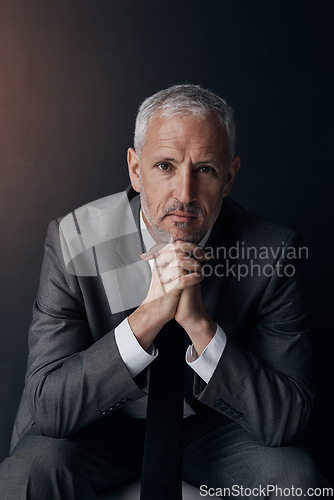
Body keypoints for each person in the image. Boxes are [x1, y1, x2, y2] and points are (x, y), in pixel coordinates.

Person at [0, 84, 329, 499]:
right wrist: (148, 316)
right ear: (136, 171)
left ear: (229, 176)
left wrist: (200, 326)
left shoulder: (271, 253)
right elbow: (50, 406)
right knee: (22, 479)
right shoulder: (76, 241)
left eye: (205, 169)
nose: (185, 194)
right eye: (165, 167)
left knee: (297, 484)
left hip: (212, 430)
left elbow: (286, 418)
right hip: (99, 427)